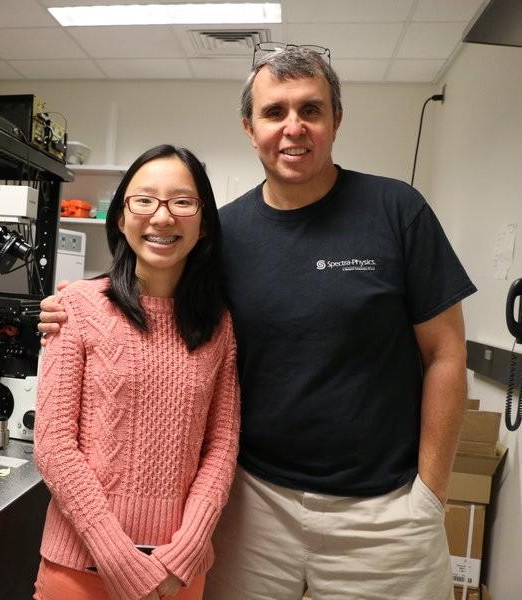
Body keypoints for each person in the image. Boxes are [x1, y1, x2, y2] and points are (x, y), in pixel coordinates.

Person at [39, 47, 475, 600]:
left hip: (382, 514)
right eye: (275, 113)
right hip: (253, 509)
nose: (293, 128)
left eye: (311, 110)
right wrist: (75, 302)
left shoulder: (396, 210)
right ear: (250, 127)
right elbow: (159, 281)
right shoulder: (225, 235)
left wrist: (430, 496)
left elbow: (446, 353)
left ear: (336, 119)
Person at [32, 144, 240, 600]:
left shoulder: (217, 324)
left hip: (177, 573)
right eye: (143, 200)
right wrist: (117, 557)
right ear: (122, 218)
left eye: (182, 202)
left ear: (203, 223)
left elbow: (221, 447)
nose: (162, 217)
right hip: (82, 568)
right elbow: (53, 444)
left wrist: (184, 552)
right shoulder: (77, 307)